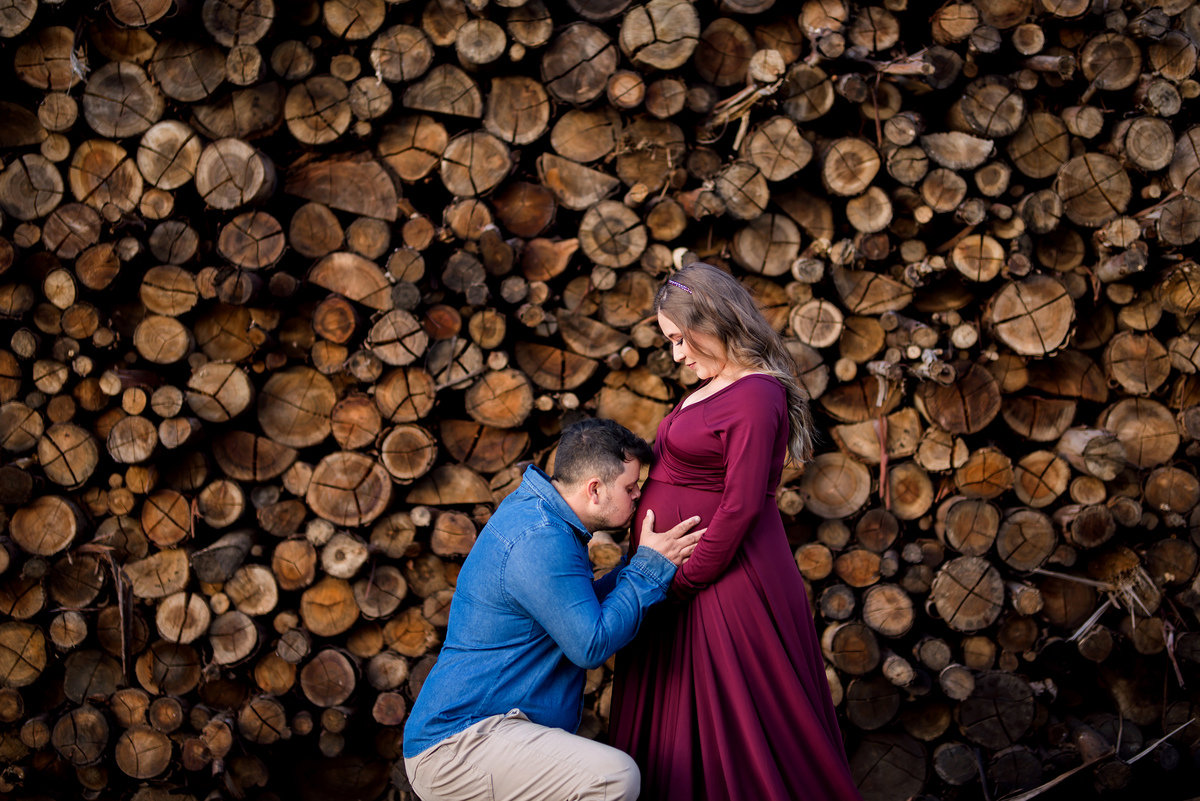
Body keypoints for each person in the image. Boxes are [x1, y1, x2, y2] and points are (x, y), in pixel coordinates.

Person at [609, 263, 861, 800]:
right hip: (681, 579)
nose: (676, 355)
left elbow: (743, 505)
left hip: (724, 580)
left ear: (713, 319)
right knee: (679, 725)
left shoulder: (755, 393)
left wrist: (682, 580)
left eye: (679, 339)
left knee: (744, 728)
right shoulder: (716, 384)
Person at [403, 418, 704, 801]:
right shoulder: (538, 537)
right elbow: (589, 644)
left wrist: (642, 566)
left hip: (481, 733)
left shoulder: (544, 517)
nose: (638, 497)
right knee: (613, 777)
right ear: (594, 489)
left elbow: (574, 606)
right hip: (459, 745)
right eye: (630, 487)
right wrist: (647, 570)